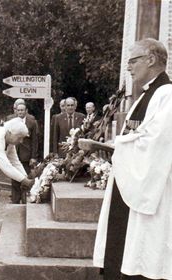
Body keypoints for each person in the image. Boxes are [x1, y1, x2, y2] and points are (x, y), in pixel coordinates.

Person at [88, 38, 172, 280]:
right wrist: (112, 146)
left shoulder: (166, 94)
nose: (129, 67)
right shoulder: (144, 97)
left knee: (145, 253)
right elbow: (134, 136)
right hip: (129, 182)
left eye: (133, 61)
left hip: (152, 189)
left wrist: (116, 147)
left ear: (152, 59)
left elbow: (157, 143)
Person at [10, 103, 38, 204]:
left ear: (26, 111)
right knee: (14, 178)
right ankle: (15, 200)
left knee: (25, 176)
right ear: (16, 111)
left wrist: (33, 157)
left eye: (22, 110)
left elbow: (35, 140)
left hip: (26, 155)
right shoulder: (12, 122)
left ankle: (25, 200)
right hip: (14, 153)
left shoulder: (32, 123)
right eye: (18, 110)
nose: (20, 112)